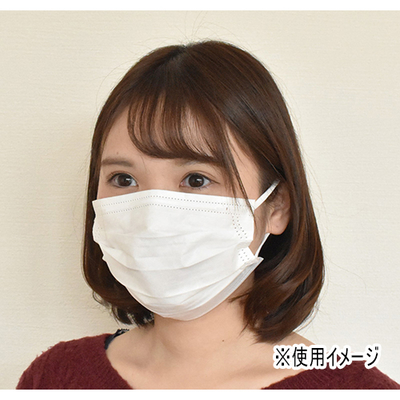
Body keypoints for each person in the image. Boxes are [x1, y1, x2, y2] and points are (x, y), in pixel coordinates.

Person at [17, 40, 399, 389]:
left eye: (196, 179)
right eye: (123, 179)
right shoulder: (55, 378)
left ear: (277, 206)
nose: (151, 219)